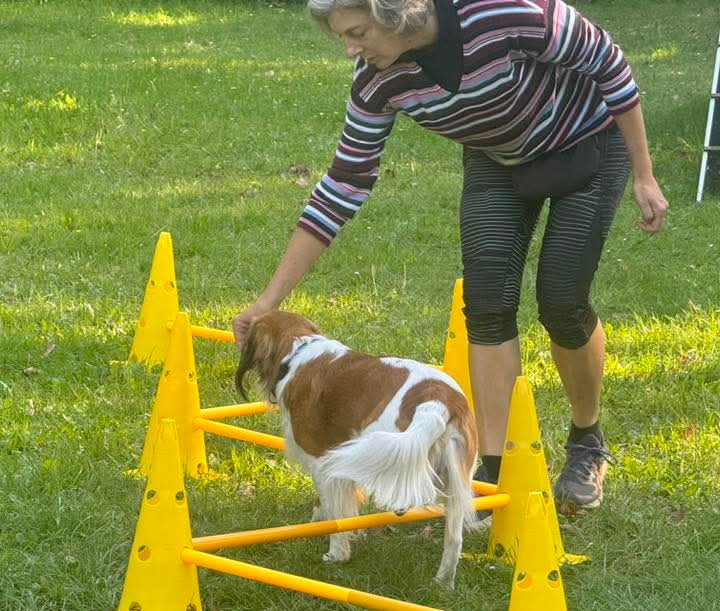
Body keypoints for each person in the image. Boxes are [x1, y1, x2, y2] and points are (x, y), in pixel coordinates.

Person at [232, 0, 668, 511]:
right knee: (486, 305)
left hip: (589, 143)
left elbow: (608, 63)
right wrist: (268, 302)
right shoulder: (376, 80)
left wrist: (644, 174)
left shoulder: (500, 13)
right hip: (498, 159)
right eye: (343, 37)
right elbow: (345, 183)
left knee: (562, 301)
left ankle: (586, 440)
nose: (350, 48)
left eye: (357, 31)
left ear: (394, 12)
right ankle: (494, 471)